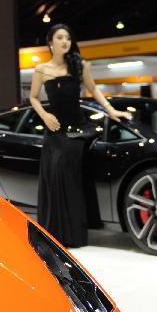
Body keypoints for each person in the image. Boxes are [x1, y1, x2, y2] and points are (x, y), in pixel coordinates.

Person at [29, 24, 132, 247]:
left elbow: (93, 90)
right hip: (54, 130)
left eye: (68, 37)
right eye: (60, 37)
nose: (65, 41)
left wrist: (111, 110)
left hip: (76, 131)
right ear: (51, 42)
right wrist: (45, 115)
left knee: (69, 179)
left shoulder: (79, 65)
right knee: (54, 179)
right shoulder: (41, 70)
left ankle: (73, 235)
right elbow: (34, 97)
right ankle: (54, 237)